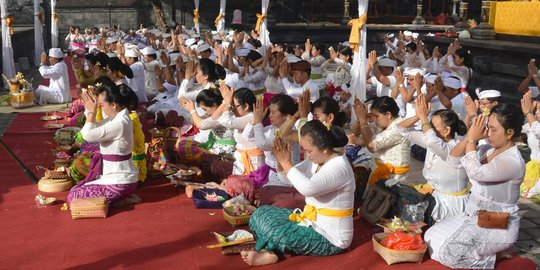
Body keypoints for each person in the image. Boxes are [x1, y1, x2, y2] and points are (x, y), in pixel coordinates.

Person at [425, 103, 526, 269]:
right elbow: (453, 159)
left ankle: (493, 257)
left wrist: (472, 140)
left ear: (510, 133)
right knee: (430, 236)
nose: (488, 133)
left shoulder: (513, 161)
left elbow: (475, 173)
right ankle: (488, 252)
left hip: (498, 223)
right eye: (487, 128)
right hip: (473, 216)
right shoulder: (487, 149)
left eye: (493, 129)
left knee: (450, 255)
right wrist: (469, 137)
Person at [241, 120, 354, 266]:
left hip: (330, 238)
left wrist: (287, 163)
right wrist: (282, 163)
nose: (307, 154)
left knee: (278, 233)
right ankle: (271, 251)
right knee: (260, 213)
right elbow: (290, 180)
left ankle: (268, 252)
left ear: (324, 148)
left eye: (309, 151)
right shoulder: (317, 160)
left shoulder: (340, 167)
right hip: (307, 221)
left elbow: (308, 188)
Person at [67, 78, 141, 206]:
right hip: (121, 180)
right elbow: (93, 127)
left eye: (102, 105)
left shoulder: (120, 123)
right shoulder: (118, 118)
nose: (100, 109)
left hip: (120, 182)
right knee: (77, 189)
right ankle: (119, 198)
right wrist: (91, 109)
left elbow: (87, 135)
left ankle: (116, 201)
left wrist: (91, 111)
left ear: (113, 104)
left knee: (73, 197)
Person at [399, 95, 469, 222]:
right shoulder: (433, 141)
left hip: (451, 203)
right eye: (429, 125)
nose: (428, 129)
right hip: (432, 195)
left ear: (447, 131)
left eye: (433, 126)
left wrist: (423, 118)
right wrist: (418, 116)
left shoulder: (454, 148)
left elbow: (432, 142)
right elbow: (402, 129)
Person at [351, 96, 410, 187]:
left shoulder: (399, 127)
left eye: (376, 116)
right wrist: (361, 117)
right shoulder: (382, 124)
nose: (374, 120)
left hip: (393, 180)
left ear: (388, 115)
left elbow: (371, 145)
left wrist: (363, 120)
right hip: (379, 170)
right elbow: (356, 133)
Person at [520, 91, 540, 198]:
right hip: (533, 171)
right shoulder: (532, 123)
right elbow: (517, 130)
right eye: (535, 109)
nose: (536, 113)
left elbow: (538, 131)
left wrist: (528, 113)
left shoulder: (535, 124)